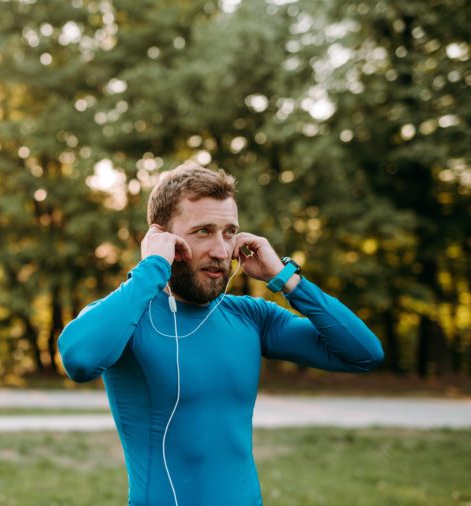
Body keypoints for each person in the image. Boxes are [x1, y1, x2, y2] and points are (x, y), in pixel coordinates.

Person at [58, 163, 384, 506]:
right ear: (161, 236)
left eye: (229, 232)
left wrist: (285, 278)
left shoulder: (252, 317)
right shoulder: (129, 315)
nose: (221, 250)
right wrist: (151, 268)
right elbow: (79, 360)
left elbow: (363, 353)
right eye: (203, 231)